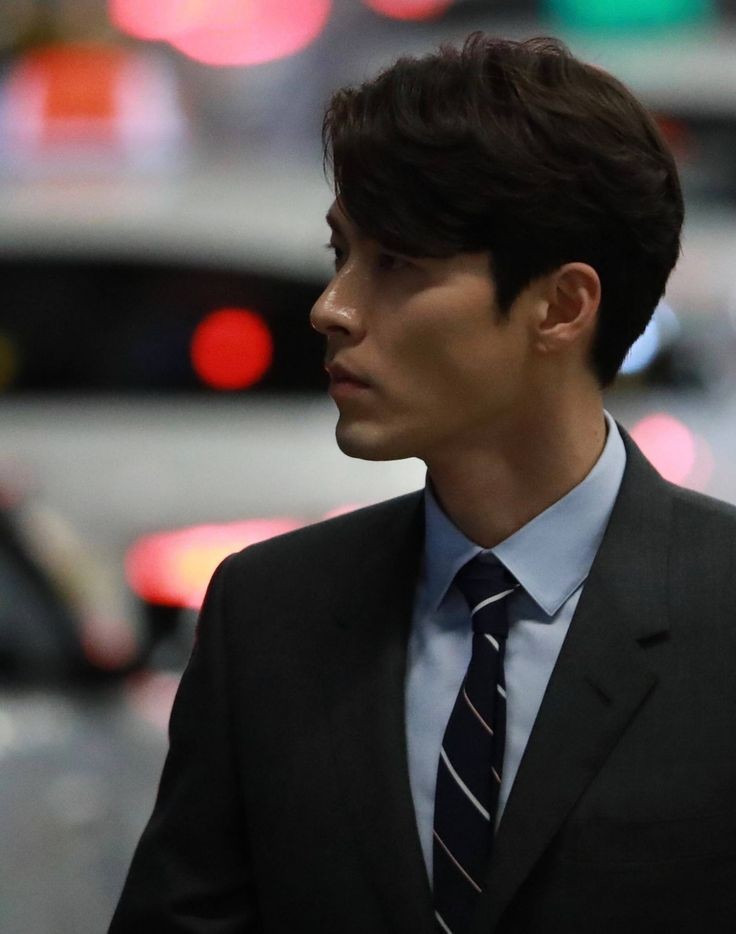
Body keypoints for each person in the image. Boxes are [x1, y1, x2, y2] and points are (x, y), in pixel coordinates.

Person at [109, 33, 736, 934]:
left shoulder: (720, 606)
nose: (332, 307)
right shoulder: (269, 612)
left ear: (561, 305)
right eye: (341, 254)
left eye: (397, 263)